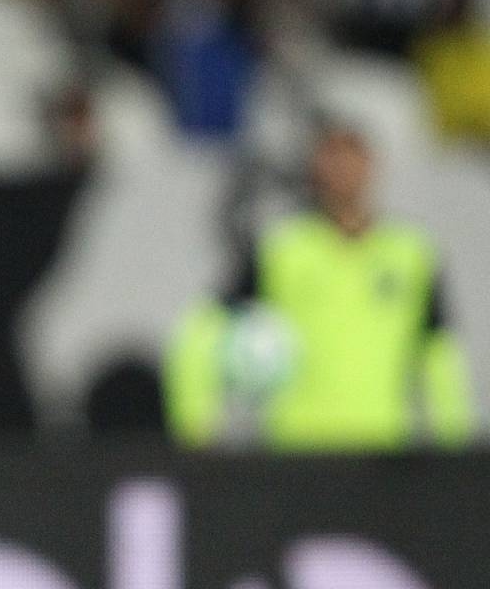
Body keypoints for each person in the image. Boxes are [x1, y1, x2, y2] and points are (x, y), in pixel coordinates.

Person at [165, 124, 474, 451]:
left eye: (351, 155)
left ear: (372, 165)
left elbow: (438, 355)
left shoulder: (411, 254)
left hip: (383, 453)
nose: (342, 169)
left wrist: (454, 451)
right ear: (314, 168)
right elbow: (203, 330)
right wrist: (195, 430)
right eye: (332, 157)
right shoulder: (282, 248)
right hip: (297, 451)